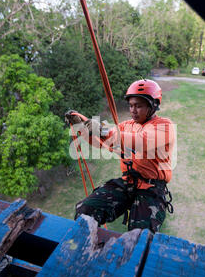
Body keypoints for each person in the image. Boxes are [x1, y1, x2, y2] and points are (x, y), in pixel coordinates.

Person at [65, 79, 175, 233]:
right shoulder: (126, 126)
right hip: (128, 182)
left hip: (152, 188)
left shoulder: (164, 126)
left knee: (140, 235)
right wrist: (83, 129)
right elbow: (102, 143)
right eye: (131, 105)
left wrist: (103, 130)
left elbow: (140, 141)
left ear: (153, 105)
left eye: (139, 106)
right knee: (85, 210)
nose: (133, 110)